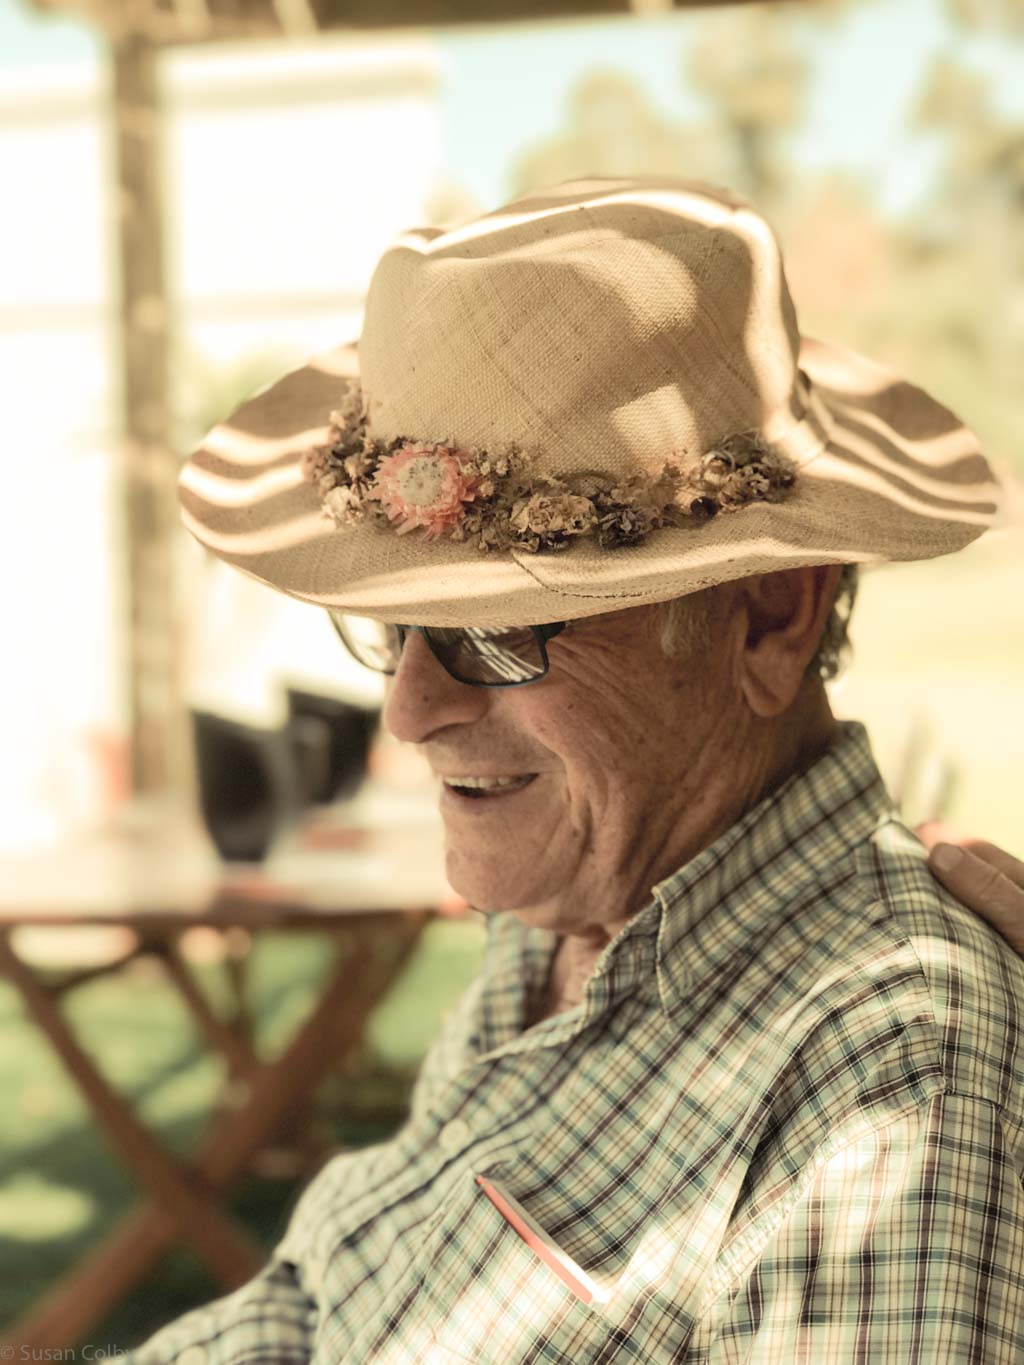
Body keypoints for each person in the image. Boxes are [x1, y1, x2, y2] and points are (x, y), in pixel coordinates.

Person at [133, 179, 1023, 1363]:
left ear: (768, 615)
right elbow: (312, 1310)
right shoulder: (565, 910)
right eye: (390, 627)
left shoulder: (894, 1069)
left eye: (495, 631)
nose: (408, 710)